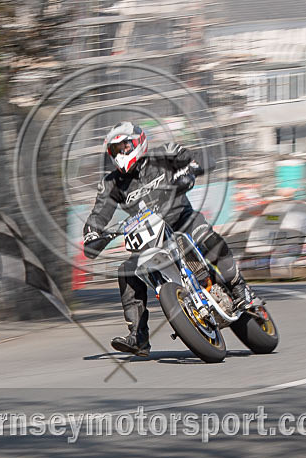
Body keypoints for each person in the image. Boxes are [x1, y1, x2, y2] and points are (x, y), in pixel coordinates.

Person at [82, 121, 254, 357]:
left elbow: (201, 158)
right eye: (115, 150)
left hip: (181, 220)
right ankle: (138, 336)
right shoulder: (111, 183)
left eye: (124, 146)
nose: (120, 154)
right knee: (126, 271)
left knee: (205, 236)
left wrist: (190, 171)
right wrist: (92, 234)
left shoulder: (164, 155)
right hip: (149, 238)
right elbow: (98, 214)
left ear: (138, 142)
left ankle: (238, 288)